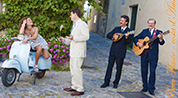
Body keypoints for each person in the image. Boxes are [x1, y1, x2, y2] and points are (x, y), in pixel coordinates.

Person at [59, 8, 89, 96]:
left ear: (75, 14)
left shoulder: (82, 24)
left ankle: (80, 88)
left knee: (77, 70)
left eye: (71, 14)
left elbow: (86, 37)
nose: (70, 16)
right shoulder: (74, 25)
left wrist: (74, 38)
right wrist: (65, 40)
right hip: (73, 51)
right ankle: (74, 86)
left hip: (78, 51)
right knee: (73, 69)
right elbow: (72, 39)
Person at [100, 15, 134, 88]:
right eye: (120, 20)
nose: (120, 21)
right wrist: (113, 36)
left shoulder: (129, 31)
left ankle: (116, 83)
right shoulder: (116, 29)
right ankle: (106, 82)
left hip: (121, 52)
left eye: (122, 20)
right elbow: (108, 35)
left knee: (118, 68)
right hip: (113, 51)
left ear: (126, 22)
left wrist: (126, 37)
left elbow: (128, 42)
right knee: (109, 66)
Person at [133, 18, 165, 95]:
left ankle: (151, 89)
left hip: (153, 55)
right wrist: (138, 43)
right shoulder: (144, 31)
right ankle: (144, 87)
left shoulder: (158, 32)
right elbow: (135, 38)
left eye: (152, 23)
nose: (150, 25)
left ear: (154, 24)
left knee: (152, 71)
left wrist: (160, 39)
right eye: (149, 23)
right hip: (144, 54)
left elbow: (162, 43)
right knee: (144, 71)